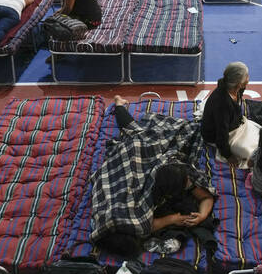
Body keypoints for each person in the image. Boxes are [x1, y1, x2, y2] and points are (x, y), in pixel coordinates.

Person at [93, 95, 216, 258]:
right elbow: (144, 226)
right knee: (134, 135)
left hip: (144, 152)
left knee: (135, 134)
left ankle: (119, 105)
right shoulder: (144, 204)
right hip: (132, 163)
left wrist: (202, 216)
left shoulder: (181, 174)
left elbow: (206, 197)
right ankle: (119, 105)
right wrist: (172, 219)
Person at [202, 61, 259, 167]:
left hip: (234, 125)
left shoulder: (234, 89)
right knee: (249, 152)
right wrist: (228, 156)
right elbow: (221, 133)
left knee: (261, 133)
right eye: (247, 76)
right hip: (218, 135)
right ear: (239, 84)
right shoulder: (223, 104)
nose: (248, 78)